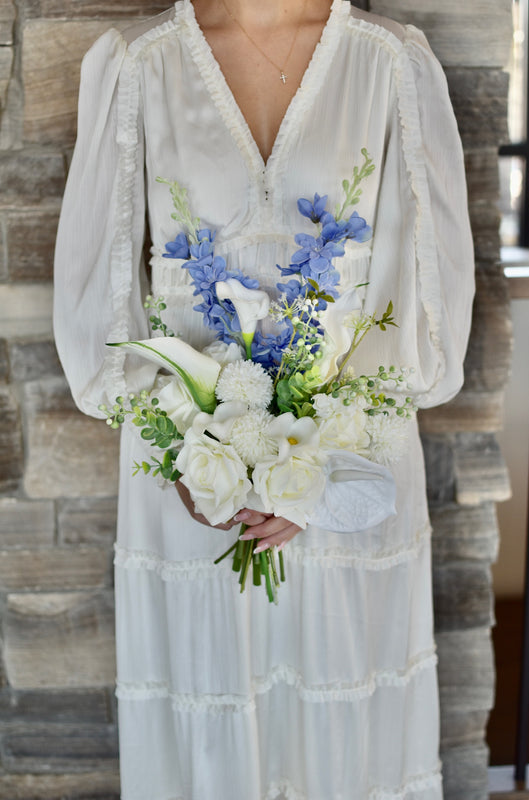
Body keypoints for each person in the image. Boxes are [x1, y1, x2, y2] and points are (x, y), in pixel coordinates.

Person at [53, 0, 475, 797]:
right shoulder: (136, 62)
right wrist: (186, 450)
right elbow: (104, 298)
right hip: (189, 485)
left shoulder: (390, 62)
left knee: (348, 736)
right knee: (208, 729)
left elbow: (418, 292)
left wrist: (321, 471)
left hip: (353, 467)